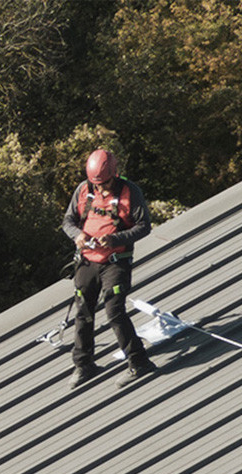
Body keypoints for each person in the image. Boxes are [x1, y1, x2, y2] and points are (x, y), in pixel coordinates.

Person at [62, 147, 158, 388]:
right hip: (87, 261)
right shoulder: (84, 190)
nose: (101, 188)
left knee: (114, 311)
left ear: (114, 174)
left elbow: (144, 226)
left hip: (116, 262)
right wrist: (78, 236)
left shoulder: (129, 192)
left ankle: (139, 362)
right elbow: (68, 221)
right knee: (83, 312)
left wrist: (115, 239)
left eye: (104, 183)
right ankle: (84, 365)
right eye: (97, 183)